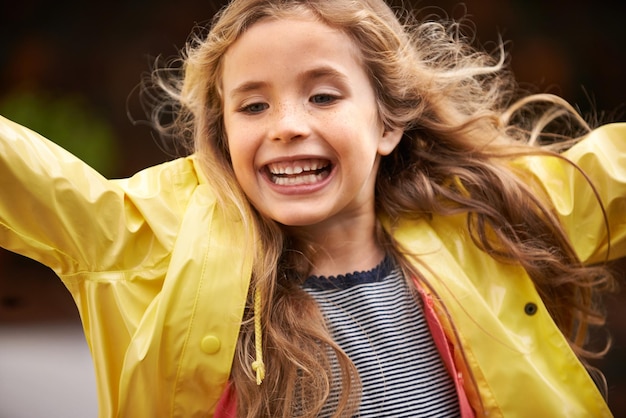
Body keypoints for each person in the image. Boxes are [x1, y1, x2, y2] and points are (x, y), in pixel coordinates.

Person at [0, 0, 624, 416]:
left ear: (386, 124)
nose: (287, 126)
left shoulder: (478, 218)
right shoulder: (159, 244)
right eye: (253, 106)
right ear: (224, 136)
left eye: (323, 96)